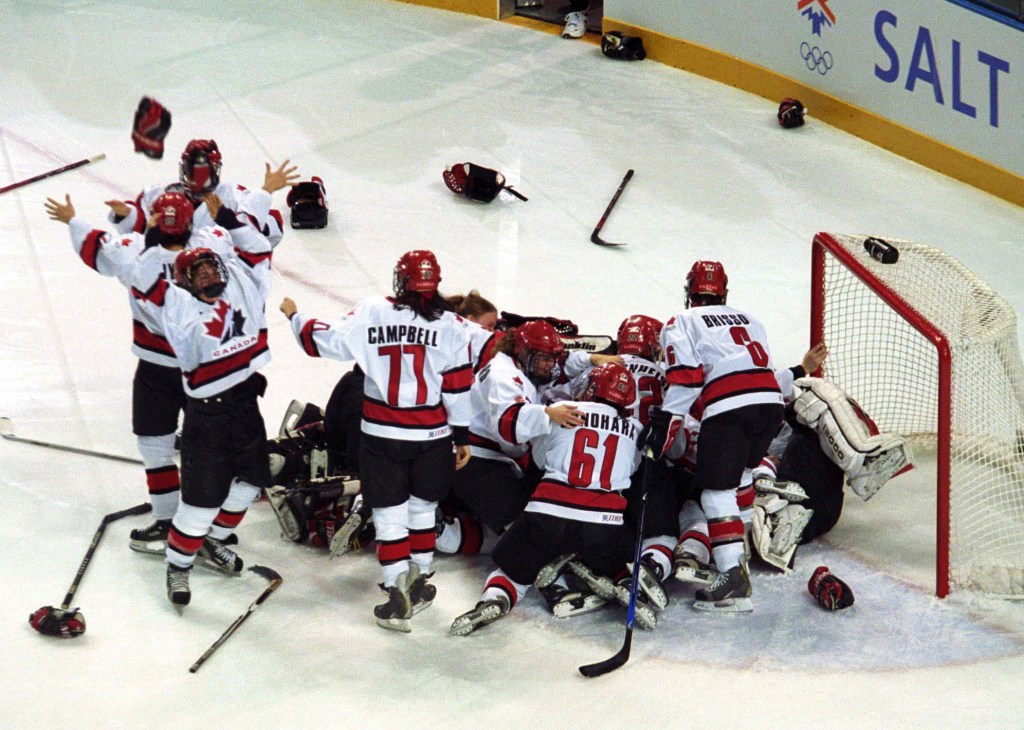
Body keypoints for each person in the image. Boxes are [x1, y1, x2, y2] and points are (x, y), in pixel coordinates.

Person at [43, 188, 278, 557]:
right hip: (213, 373)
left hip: (157, 367)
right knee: (230, 460)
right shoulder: (211, 246)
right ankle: (210, 531)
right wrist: (256, 202)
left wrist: (76, 219)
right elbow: (261, 241)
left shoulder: (134, 252)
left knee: (155, 448)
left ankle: (171, 521)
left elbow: (98, 250)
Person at [280, 250, 474, 632]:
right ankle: (419, 576)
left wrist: (294, 316)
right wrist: (462, 436)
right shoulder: (453, 325)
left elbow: (322, 343)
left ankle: (396, 583)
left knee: (388, 514)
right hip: (431, 436)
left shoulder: (371, 311)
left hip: (382, 434)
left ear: (400, 282)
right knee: (421, 510)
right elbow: (457, 387)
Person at [124, 195, 276, 608]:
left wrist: (229, 217)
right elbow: (140, 275)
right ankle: (179, 564)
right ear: (184, 282)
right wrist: (152, 232)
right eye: (198, 270)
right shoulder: (179, 310)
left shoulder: (243, 285)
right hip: (207, 419)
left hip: (246, 406)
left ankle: (208, 540)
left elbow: (258, 250)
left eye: (212, 265)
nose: (209, 272)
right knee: (200, 503)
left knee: (250, 484)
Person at [450, 362, 658, 636]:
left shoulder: (563, 413)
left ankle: (495, 600)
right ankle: (623, 583)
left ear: (590, 388)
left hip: (546, 517)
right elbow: (630, 470)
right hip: (602, 525)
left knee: (514, 571)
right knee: (617, 556)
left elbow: (538, 459)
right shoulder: (635, 428)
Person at [648, 260, 784, 613]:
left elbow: (687, 379)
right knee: (740, 478)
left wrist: (663, 428)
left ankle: (732, 578)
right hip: (770, 404)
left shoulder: (681, 321)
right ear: (723, 292)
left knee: (715, 494)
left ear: (689, 291)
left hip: (729, 407)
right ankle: (737, 559)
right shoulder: (752, 319)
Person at [106, 138, 298, 248]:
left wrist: (265, 193)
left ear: (215, 171)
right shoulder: (158, 195)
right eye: (193, 172)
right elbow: (141, 234)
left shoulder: (231, 195)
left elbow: (270, 227)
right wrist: (127, 215)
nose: (198, 181)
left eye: (204, 173)